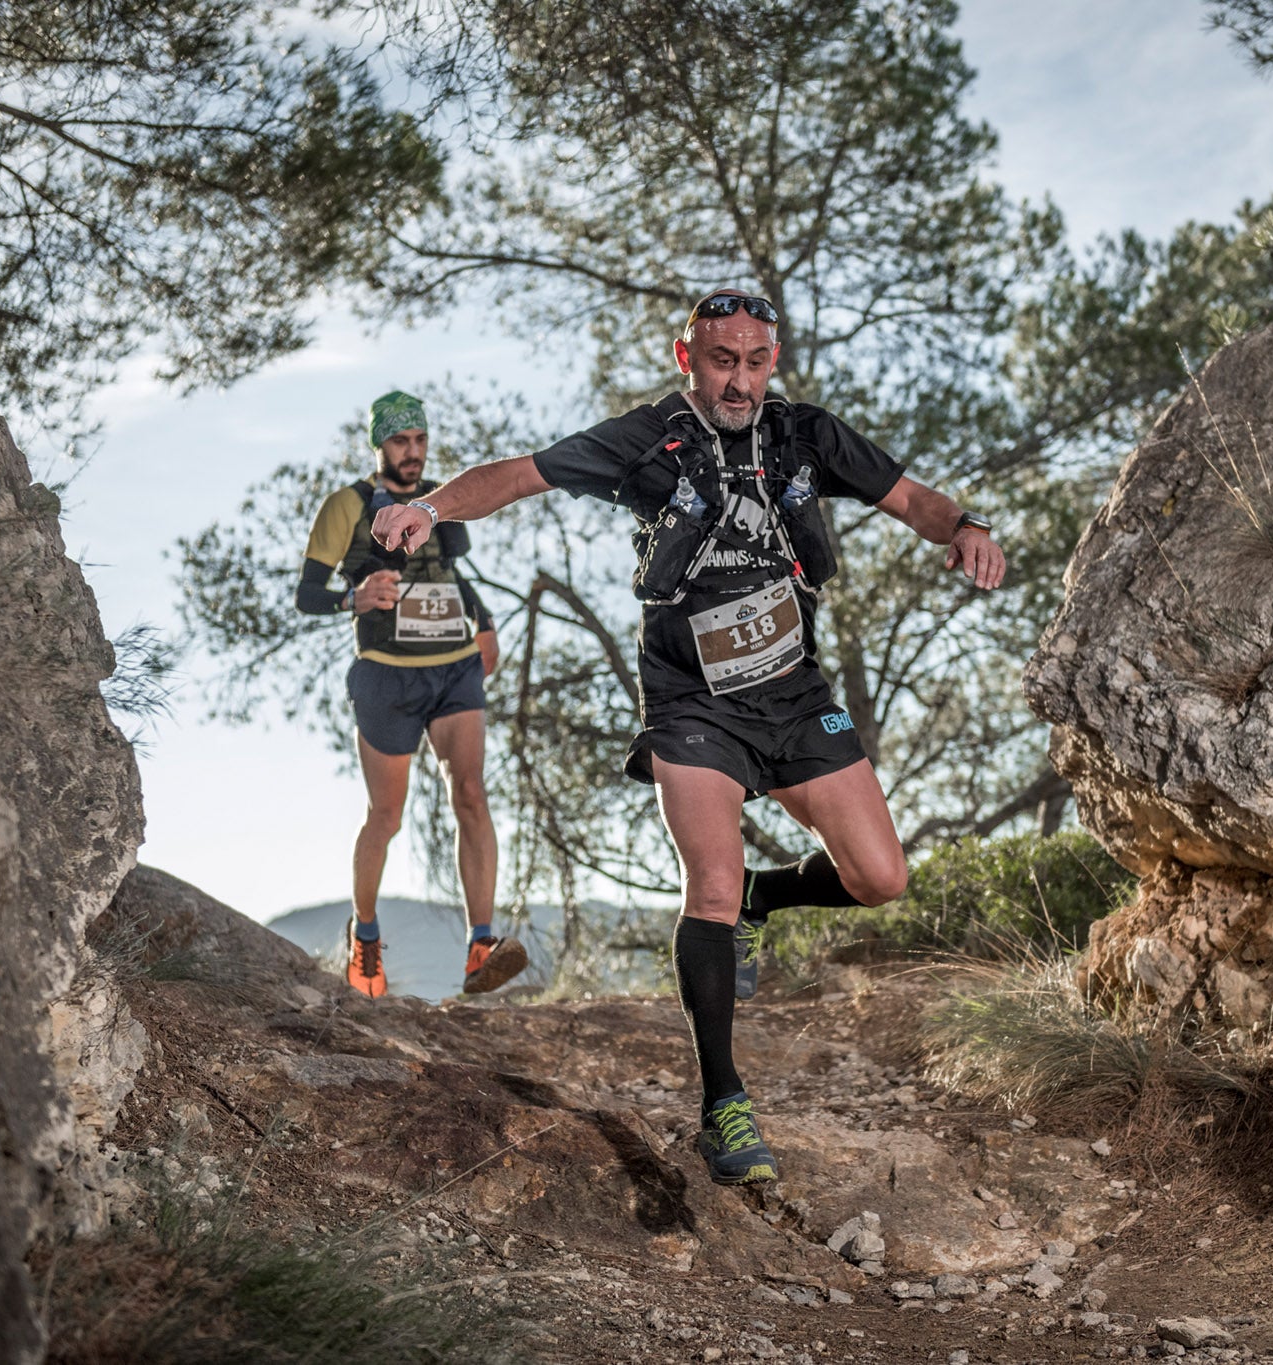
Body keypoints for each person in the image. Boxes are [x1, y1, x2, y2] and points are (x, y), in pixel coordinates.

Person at [370, 295, 1004, 1184]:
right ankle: (723, 1101)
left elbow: (913, 500)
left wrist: (968, 527)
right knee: (704, 881)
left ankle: (760, 898)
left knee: (880, 877)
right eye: (719, 359)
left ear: (772, 359)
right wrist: (432, 507)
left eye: (753, 360)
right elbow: (520, 474)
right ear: (686, 356)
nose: (738, 378)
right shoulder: (647, 438)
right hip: (691, 700)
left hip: (792, 693)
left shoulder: (804, 435)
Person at [295, 390, 529, 1000]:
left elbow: (449, 576)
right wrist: (353, 599)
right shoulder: (345, 507)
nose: (414, 453)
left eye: (421, 440)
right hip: (387, 674)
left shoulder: (439, 504)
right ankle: (365, 937)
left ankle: (482, 945)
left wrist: (485, 623)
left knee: (472, 794)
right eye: (401, 441)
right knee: (386, 815)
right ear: (379, 445)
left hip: (454, 668)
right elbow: (307, 595)